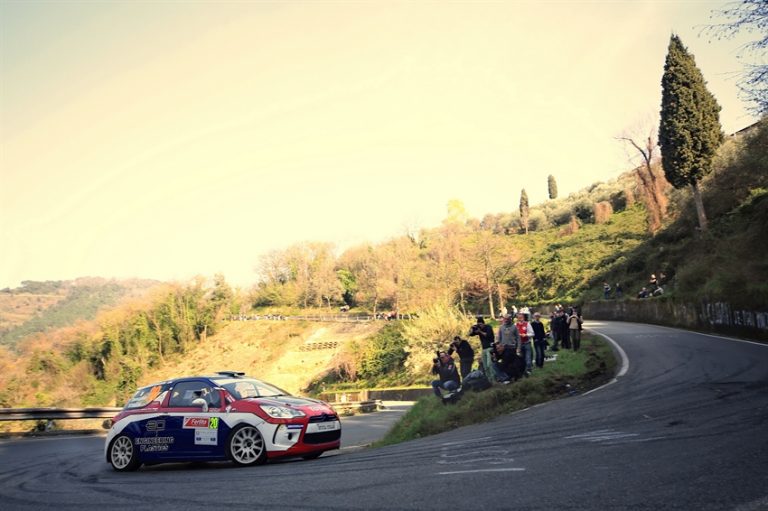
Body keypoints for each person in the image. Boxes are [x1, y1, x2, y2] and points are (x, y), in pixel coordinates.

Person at [469, 316, 495, 382]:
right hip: (484, 349)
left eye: (480, 324)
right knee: (485, 365)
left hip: (490, 347)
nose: (480, 326)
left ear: (483, 323)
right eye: (478, 324)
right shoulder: (478, 329)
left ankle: (494, 378)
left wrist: (480, 331)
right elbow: (470, 334)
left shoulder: (488, 327)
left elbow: (488, 335)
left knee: (490, 364)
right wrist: (472, 328)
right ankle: (489, 380)